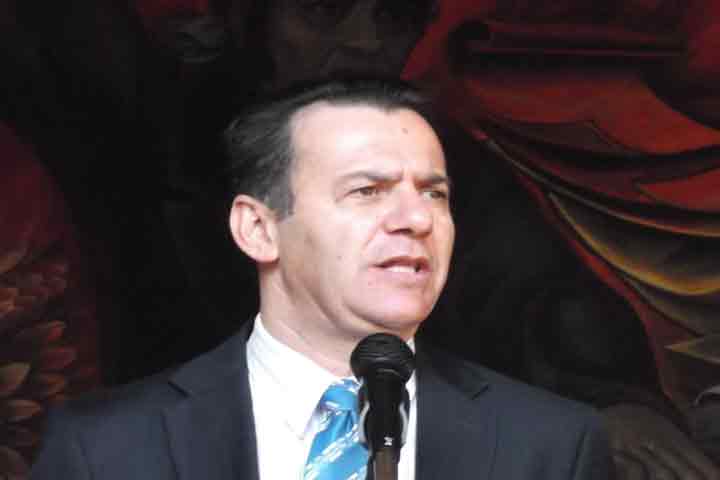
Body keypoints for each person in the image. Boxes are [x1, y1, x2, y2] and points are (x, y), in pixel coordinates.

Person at [30, 79, 611, 479]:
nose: (416, 220)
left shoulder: (549, 446)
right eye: (367, 191)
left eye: (434, 194)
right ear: (259, 229)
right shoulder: (106, 448)